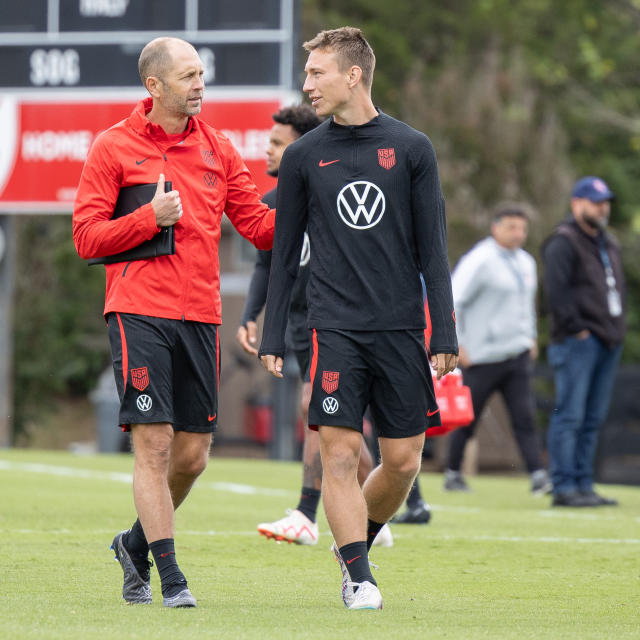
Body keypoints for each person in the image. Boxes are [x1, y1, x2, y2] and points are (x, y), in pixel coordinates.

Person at [259, 28, 458, 611]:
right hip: (332, 327)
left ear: (353, 75)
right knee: (339, 454)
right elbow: (282, 254)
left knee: (401, 462)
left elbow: (434, 251)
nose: (306, 84)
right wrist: (273, 332)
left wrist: (443, 330)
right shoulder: (301, 156)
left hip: (400, 327)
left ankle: (354, 547)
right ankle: (359, 577)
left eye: (317, 73)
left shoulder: (413, 148)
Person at [73, 37, 275, 608]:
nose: (199, 84)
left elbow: (259, 226)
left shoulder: (219, 148)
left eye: (201, 74)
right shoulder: (112, 147)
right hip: (138, 311)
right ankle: (171, 578)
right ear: (154, 85)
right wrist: (147, 218)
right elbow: (86, 238)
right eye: (187, 75)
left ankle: (132, 545)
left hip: (200, 317)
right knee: (155, 448)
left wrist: (314, 208)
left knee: (193, 457)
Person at [235, 105, 393, 548]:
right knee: (325, 414)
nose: (268, 150)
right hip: (302, 325)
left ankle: (306, 513)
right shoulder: (272, 202)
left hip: (337, 321)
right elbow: (267, 266)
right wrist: (251, 314)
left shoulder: (330, 190)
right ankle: (383, 506)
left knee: (316, 407)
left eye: (278, 143)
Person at [443, 204, 550, 494]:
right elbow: (454, 299)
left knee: (524, 416)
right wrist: (457, 342)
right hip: (481, 355)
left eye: (523, 228)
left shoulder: (526, 262)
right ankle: (453, 472)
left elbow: (527, 305)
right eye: (512, 227)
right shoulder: (480, 260)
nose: (518, 234)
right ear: (496, 227)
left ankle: (538, 475)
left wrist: (530, 337)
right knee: (468, 417)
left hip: (515, 353)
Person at [541, 177, 625, 508]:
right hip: (579, 341)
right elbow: (556, 293)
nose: (602, 207)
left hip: (608, 341)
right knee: (571, 415)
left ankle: (584, 483)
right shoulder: (563, 241)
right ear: (577, 203)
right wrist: (579, 329)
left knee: (592, 418)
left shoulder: (608, 242)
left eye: (605, 201)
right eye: (595, 201)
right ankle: (563, 486)